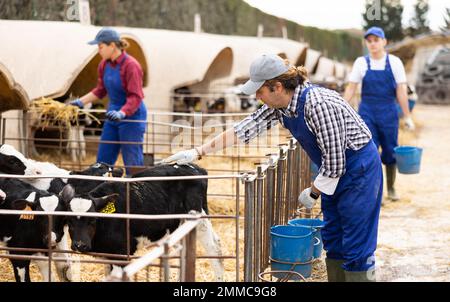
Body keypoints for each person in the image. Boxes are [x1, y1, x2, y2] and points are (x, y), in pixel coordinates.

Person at [163, 54, 383, 282]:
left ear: (277, 87)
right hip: (333, 170)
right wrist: (198, 151)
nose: (257, 97)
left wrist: (314, 191)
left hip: (358, 171)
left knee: (357, 243)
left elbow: (336, 161)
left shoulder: (318, 105)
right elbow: (244, 129)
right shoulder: (283, 106)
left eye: (260, 91)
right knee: (334, 238)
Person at [344, 27, 415, 201]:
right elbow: (351, 87)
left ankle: (391, 189)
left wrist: (407, 116)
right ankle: (376, 192)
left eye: (376, 40)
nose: (373, 44)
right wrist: (341, 110)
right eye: (369, 41)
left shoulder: (394, 62)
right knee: (370, 152)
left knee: (390, 151)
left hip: (389, 112)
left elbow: (401, 90)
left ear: (384, 42)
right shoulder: (361, 62)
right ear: (366, 43)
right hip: (367, 112)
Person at [70, 28, 147, 175]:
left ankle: (135, 192)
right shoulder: (104, 65)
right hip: (113, 114)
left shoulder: (131, 65)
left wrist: (123, 113)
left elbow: (136, 96)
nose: (98, 51)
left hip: (132, 116)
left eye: (100, 47)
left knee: (132, 162)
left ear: (112, 46)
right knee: (103, 160)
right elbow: (100, 90)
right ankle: (100, 191)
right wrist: (80, 102)